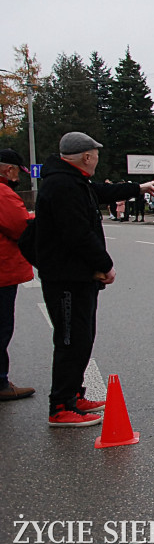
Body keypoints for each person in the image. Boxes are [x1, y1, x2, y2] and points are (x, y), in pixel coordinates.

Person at [35, 132, 154, 426]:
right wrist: (105, 264)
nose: (97, 161)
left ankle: (74, 395)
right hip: (66, 278)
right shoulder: (63, 185)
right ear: (87, 157)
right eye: (96, 156)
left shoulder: (74, 180)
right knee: (70, 340)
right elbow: (76, 233)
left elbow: (102, 194)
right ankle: (60, 406)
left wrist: (138, 188)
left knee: (82, 337)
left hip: (78, 276)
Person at [0, 149, 35, 402]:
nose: (18, 178)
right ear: (9, 170)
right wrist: (34, 218)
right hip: (2, 271)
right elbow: (18, 226)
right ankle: (0, 382)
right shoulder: (3, 193)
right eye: (17, 172)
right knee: (2, 327)